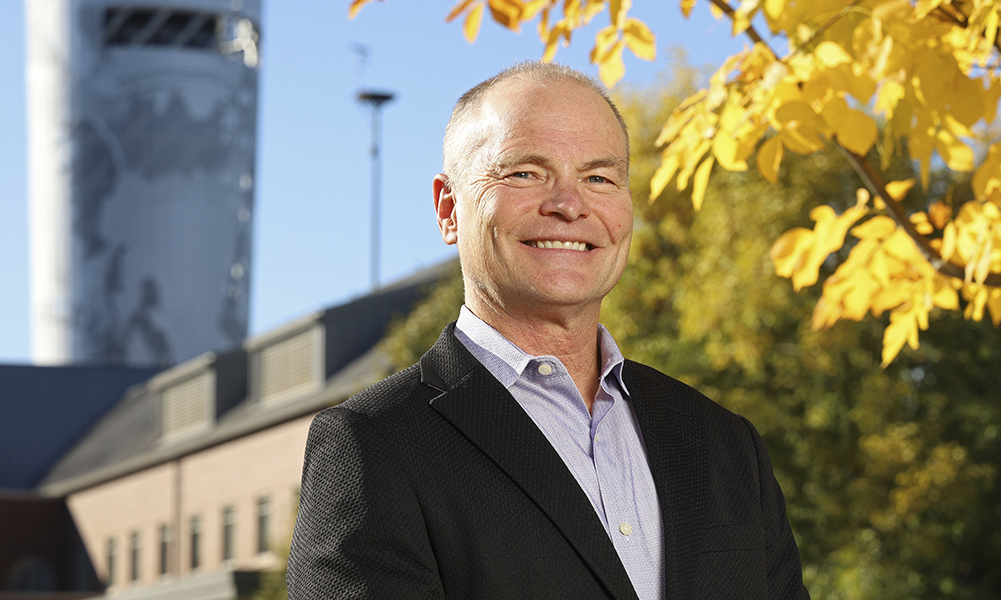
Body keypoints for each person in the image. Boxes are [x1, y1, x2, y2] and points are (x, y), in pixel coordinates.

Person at [286, 61, 810, 600]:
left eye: (599, 178)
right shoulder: (374, 446)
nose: (568, 204)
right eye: (524, 173)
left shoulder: (725, 443)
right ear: (448, 209)